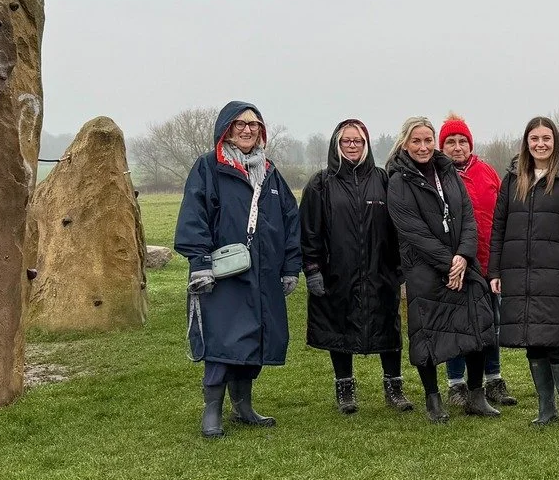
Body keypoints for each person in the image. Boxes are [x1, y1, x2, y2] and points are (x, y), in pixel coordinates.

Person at [174, 101, 302, 437]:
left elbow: (291, 220)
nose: (247, 130)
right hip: (223, 275)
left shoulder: (270, 173)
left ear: (261, 131)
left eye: (254, 124)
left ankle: (243, 406)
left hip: (263, 273)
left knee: (254, 338)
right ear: (227, 129)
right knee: (222, 340)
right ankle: (212, 409)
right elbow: (194, 215)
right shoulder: (209, 167)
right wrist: (200, 263)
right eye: (240, 124)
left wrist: (291, 266)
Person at [385, 116, 499, 422]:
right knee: (427, 334)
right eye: (416, 141)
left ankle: (476, 395)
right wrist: (450, 263)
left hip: (462, 264)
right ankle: (433, 399)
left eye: (427, 140)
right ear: (405, 144)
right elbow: (413, 231)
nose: (423, 147)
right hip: (424, 269)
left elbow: (468, 217)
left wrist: (463, 255)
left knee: (478, 325)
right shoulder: (398, 181)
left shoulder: (447, 171)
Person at [298, 120, 410, 415]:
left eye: (357, 141)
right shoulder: (321, 183)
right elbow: (309, 230)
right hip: (337, 272)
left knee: (388, 327)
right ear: (337, 144)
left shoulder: (383, 179)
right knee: (339, 327)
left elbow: (398, 228)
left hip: (380, 271)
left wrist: (400, 268)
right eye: (346, 141)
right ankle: (345, 388)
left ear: (366, 145)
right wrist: (312, 268)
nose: (352, 146)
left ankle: (394, 387)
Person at [489, 116, 559, 431]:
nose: (540, 144)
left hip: (555, 274)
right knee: (532, 340)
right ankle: (546, 408)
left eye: (546, 138)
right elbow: (499, 227)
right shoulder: (512, 178)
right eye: (534, 139)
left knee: (558, 340)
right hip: (519, 273)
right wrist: (495, 270)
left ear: (555, 141)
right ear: (527, 142)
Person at [438, 115, 515, 409]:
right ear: (442, 146)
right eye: (450, 142)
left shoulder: (487, 172)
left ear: (470, 144)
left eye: (462, 141)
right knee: (456, 325)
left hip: (488, 262)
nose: (457, 147)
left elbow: (504, 214)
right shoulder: (438, 177)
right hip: (456, 266)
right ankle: (456, 384)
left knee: (491, 323)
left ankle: (493, 378)